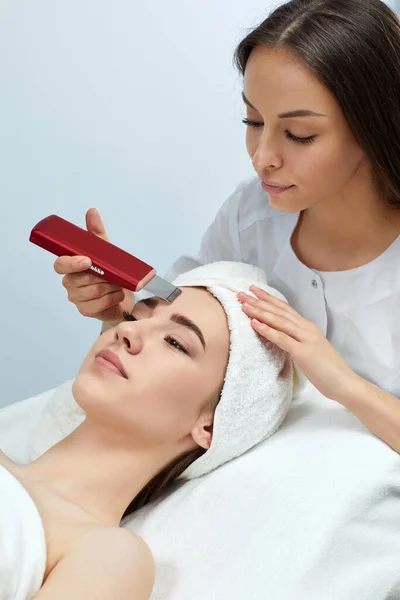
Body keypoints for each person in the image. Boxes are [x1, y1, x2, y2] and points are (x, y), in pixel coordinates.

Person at [55, 0, 400, 453]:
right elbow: (167, 357)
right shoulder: (249, 217)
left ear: (374, 124)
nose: (262, 158)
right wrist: (119, 312)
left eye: (299, 135)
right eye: (253, 121)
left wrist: (341, 382)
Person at [0, 262, 293, 600]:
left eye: (175, 342)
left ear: (212, 422)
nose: (127, 332)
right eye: (134, 317)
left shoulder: (108, 556)